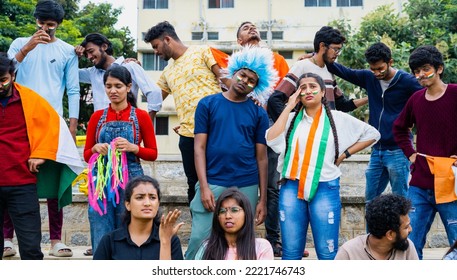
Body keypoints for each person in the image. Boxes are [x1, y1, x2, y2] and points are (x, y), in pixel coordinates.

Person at [266, 72, 380, 260]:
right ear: (298, 94)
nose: (308, 91)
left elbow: (373, 134)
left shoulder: (337, 118)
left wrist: (345, 154)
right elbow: (271, 139)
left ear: (322, 93)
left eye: (313, 86)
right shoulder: (292, 118)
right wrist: (289, 107)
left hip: (324, 186)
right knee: (291, 252)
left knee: (327, 252)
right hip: (291, 186)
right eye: (303, 88)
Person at [186, 46, 278, 260]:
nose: (245, 81)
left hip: (246, 182)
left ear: (257, 86)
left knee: (243, 242)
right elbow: (198, 148)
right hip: (213, 180)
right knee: (199, 238)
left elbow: (262, 158)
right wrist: (204, 186)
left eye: (251, 80)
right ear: (234, 72)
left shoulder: (258, 112)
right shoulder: (208, 104)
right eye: (242, 75)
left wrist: (262, 199)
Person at [5, 0, 80, 258]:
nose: (46, 29)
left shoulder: (68, 50)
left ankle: (56, 239)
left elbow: (72, 89)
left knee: (53, 180)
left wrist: (71, 128)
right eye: (41, 23)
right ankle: (7, 239)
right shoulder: (18, 43)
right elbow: (5, 71)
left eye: (51, 25)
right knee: (10, 178)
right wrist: (28, 47)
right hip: (20, 120)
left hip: (52, 123)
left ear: (57, 24)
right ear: (35, 20)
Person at [143, 21, 228, 204]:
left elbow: (226, 81)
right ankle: (200, 231)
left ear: (167, 39)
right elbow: (154, 102)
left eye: (156, 46)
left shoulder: (202, 51)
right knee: (194, 185)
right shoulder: (167, 72)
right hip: (189, 136)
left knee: (222, 182)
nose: (155, 52)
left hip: (218, 130)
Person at [326, 42, 422, 203]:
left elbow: (426, 100)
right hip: (377, 150)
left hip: (398, 150)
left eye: (380, 68)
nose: (376, 73)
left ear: (390, 62)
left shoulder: (407, 81)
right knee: (371, 200)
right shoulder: (368, 78)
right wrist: (317, 57)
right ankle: (372, 230)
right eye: (373, 69)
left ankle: (402, 229)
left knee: (400, 200)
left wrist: (412, 118)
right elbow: (343, 71)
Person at [83, 66, 158, 253]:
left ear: (128, 87)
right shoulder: (96, 117)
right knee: (100, 220)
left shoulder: (141, 116)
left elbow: (153, 153)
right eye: (108, 86)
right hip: (101, 179)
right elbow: (86, 154)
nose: (113, 91)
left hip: (132, 177)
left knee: (129, 222)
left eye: (118, 86)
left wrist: (134, 148)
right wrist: (94, 149)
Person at [393, 45, 457, 259]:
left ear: (439, 68)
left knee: (456, 243)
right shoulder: (416, 99)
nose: (420, 75)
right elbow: (400, 128)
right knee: (409, 243)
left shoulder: (455, 93)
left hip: (451, 183)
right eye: (416, 71)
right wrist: (410, 153)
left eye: (426, 69)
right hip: (420, 184)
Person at [235, 21, 289, 257]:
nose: (252, 29)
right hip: (241, 125)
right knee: (240, 182)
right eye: (246, 28)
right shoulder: (232, 65)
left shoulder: (277, 59)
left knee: (273, 185)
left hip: (270, 124)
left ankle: (273, 240)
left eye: (253, 27)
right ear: (239, 41)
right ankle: (239, 239)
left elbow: (286, 92)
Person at [267, 26, 367, 123]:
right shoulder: (301, 66)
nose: (337, 53)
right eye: (335, 49)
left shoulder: (329, 70)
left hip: (327, 132)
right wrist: (290, 125)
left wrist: (369, 98)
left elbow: (342, 105)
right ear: (322, 46)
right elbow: (274, 100)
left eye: (339, 50)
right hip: (306, 135)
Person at [93, 175, 184, 260]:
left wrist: (165, 241)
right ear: (128, 205)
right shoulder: (109, 241)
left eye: (152, 198)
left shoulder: (170, 239)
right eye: (140, 198)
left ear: (158, 203)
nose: (147, 203)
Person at [75, 33, 162, 120]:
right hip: (101, 128)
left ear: (104, 47)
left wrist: (147, 125)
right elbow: (70, 73)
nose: (89, 57)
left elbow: (154, 92)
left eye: (91, 51)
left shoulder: (129, 66)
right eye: (86, 55)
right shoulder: (92, 73)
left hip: (127, 126)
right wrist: (76, 57)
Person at [195, 188, 274, 260]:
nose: (228, 216)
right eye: (222, 211)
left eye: (234, 210)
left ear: (246, 214)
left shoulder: (261, 247)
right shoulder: (207, 247)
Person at [335, 194, 418, 260]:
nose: (411, 229)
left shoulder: (408, 247)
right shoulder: (348, 253)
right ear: (390, 234)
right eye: (406, 227)